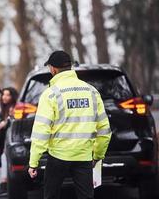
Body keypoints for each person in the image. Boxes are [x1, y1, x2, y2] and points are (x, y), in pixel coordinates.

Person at [28, 50, 112, 199]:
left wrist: (33, 162)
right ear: (70, 67)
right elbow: (104, 130)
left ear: (53, 69)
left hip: (58, 157)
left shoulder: (51, 94)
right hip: (84, 156)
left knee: (51, 196)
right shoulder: (92, 91)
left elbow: (41, 131)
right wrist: (98, 155)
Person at [0, 87, 18, 198]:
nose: (4, 97)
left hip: (15, 138)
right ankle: (5, 184)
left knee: (4, 157)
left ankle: (4, 184)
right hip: (10, 138)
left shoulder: (14, 108)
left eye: (8, 95)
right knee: (4, 157)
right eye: (3, 94)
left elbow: (12, 117)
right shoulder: (7, 108)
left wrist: (4, 122)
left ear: (13, 97)